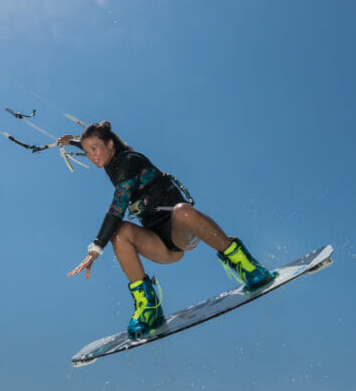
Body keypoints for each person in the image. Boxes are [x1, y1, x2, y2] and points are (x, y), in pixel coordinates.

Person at [59, 121, 277, 339]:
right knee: (120, 232)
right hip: (160, 243)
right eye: (87, 151)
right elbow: (91, 145)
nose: (91, 155)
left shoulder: (129, 162)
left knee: (182, 211)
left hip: (181, 230)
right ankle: (149, 309)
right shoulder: (109, 160)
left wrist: (95, 249)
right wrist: (72, 141)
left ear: (110, 144)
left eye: (94, 149)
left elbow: (117, 207)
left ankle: (247, 266)